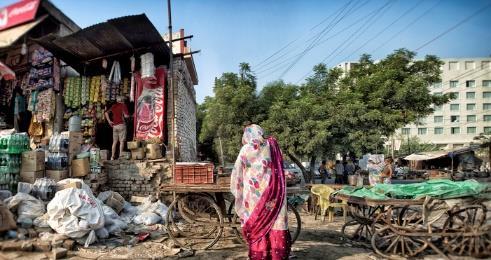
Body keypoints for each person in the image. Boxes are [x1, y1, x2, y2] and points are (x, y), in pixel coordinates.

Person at [231, 124, 291, 260]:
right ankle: (276, 255)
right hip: (274, 193)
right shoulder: (273, 147)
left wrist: (238, 189)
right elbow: (280, 169)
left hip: (253, 197)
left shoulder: (245, 149)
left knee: (257, 223)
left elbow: (237, 173)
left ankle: (260, 255)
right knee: (276, 222)